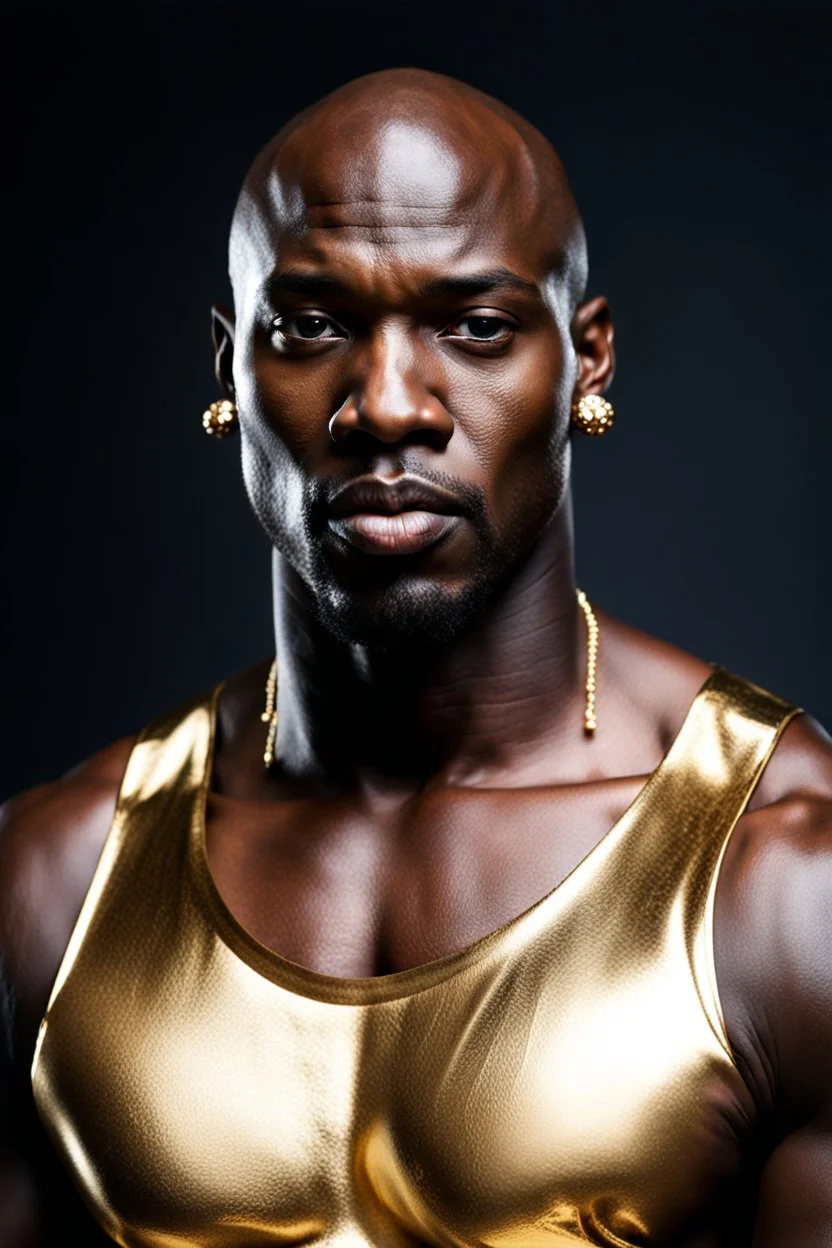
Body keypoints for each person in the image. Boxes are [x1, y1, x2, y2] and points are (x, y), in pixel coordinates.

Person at [1, 67, 830, 1248]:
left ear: (586, 362)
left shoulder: (784, 888)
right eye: (313, 326)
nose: (387, 405)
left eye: (476, 327)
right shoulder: (55, 884)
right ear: (229, 367)